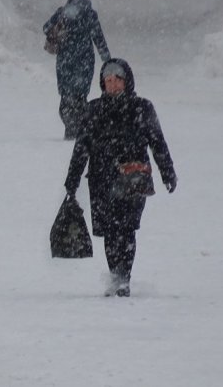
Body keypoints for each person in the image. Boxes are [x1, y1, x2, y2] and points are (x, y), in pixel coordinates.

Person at [63, 59, 176, 297]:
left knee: (126, 228)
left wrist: (168, 172)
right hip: (102, 180)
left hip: (133, 178)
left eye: (117, 80)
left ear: (127, 82)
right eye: (108, 81)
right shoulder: (94, 110)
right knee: (111, 231)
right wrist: (72, 183)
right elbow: (81, 149)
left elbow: (157, 142)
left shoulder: (142, 108)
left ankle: (123, 277)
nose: (112, 85)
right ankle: (116, 275)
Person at [43, 0, 111, 140]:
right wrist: (107, 59)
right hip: (84, 61)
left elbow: (46, 28)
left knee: (66, 95)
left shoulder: (62, 13)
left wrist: (59, 29)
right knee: (80, 96)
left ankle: (69, 127)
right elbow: (98, 38)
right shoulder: (90, 15)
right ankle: (80, 127)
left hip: (65, 60)